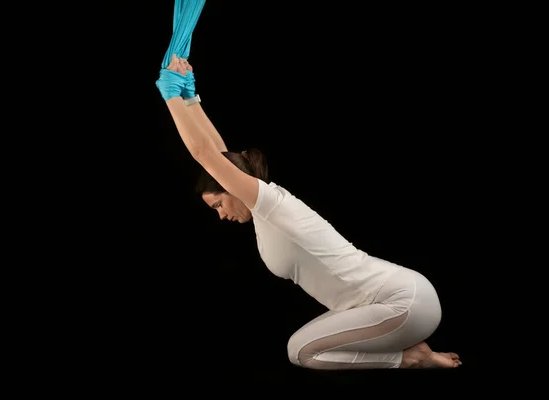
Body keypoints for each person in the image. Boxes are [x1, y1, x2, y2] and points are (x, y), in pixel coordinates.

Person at [156, 54, 461, 369]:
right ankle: (414, 355)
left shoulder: (270, 203)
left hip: (404, 304)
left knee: (301, 352)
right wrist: (190, 96)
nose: (221, 215)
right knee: (305, 346)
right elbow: (218, 153)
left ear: (231, 187)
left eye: (218, 204)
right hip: (403, 299)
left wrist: (169, 93)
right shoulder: (267, 208)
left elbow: (204, 153)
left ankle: (411, 360)